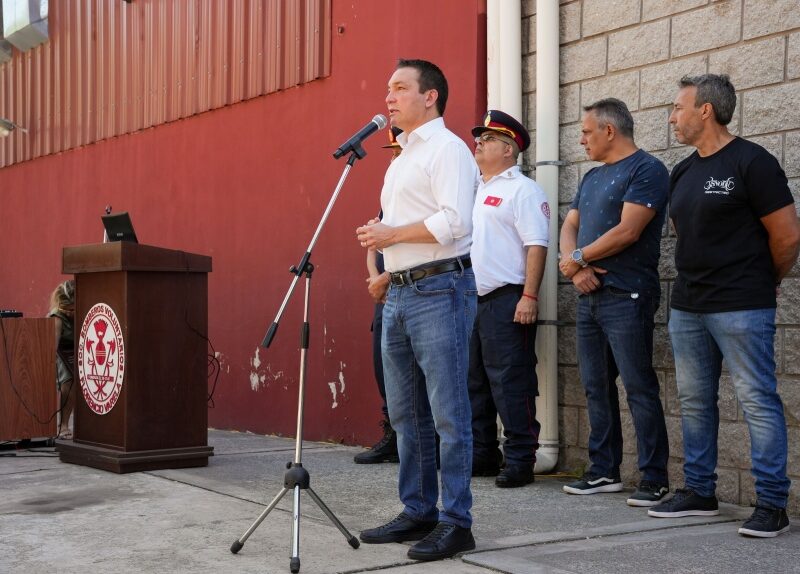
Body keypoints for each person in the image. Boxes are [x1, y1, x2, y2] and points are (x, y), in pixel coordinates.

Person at [648, 74, 800, 538]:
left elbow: (788, 235)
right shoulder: (684, 170)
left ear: (706, 110)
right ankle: (699, 491)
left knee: (756, 399)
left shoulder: (753, 162)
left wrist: (761, 280)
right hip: (689, 305)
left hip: (741, 303)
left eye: (677, 107)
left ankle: (772, 503)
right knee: (694, 401)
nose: (672, 117)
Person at [355, 58, 478, 561]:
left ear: (430, 96)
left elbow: (454, 222)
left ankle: (456, 520)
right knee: (406, 413)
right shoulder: (400, 156)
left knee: (448, 413)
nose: (389, 97)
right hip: (402, 291)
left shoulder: (447, 150)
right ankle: (418, 510)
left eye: (400, 88)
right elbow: (410, 227)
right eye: (387, 89)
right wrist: (388, 267)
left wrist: (391, 235)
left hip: (440, 292)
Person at [559, 98, 670, 507]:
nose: (582, 139)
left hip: (628, 296)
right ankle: (604, 470)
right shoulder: (591, 178)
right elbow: (570, 225)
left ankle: (654, 478)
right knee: (595, 386)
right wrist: (575, 265)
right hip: (589, 294)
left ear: (609, 130)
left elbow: (627, 232)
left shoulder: (647, 170)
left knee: (639, 387)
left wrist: (577, 259)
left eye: (587, 131)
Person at [468, 110, 547, 488]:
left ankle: (520, 459)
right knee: (473, 382)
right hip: (471, 300)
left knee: (510, 381)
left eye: (487, 140)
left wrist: (529, 295)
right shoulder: (473, 189)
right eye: (478, 139)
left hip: (506, 298)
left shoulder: (523, 190)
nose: (478, 144)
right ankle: (483, 454)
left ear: (508, 149)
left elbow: (536, 245)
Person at [354, 127, 403, 465]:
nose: (394, 156)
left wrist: (386, 278)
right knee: (383, 368)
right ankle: (393, 435)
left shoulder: (417, 193)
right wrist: (374, 278)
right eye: (392, 151)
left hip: (406, 287)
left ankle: (411, 438)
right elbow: (373, 242)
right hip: (383, 294)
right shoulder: (391, 194)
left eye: (398, 150)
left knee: (407, 372)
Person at [49, 279, 76, 440]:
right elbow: (52, 348)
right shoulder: (57, 317)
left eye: (72, 309)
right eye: (66, 309)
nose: (69, 313)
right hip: (60, 351)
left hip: (76, 349)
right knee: (69, 380)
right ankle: (63, 424)